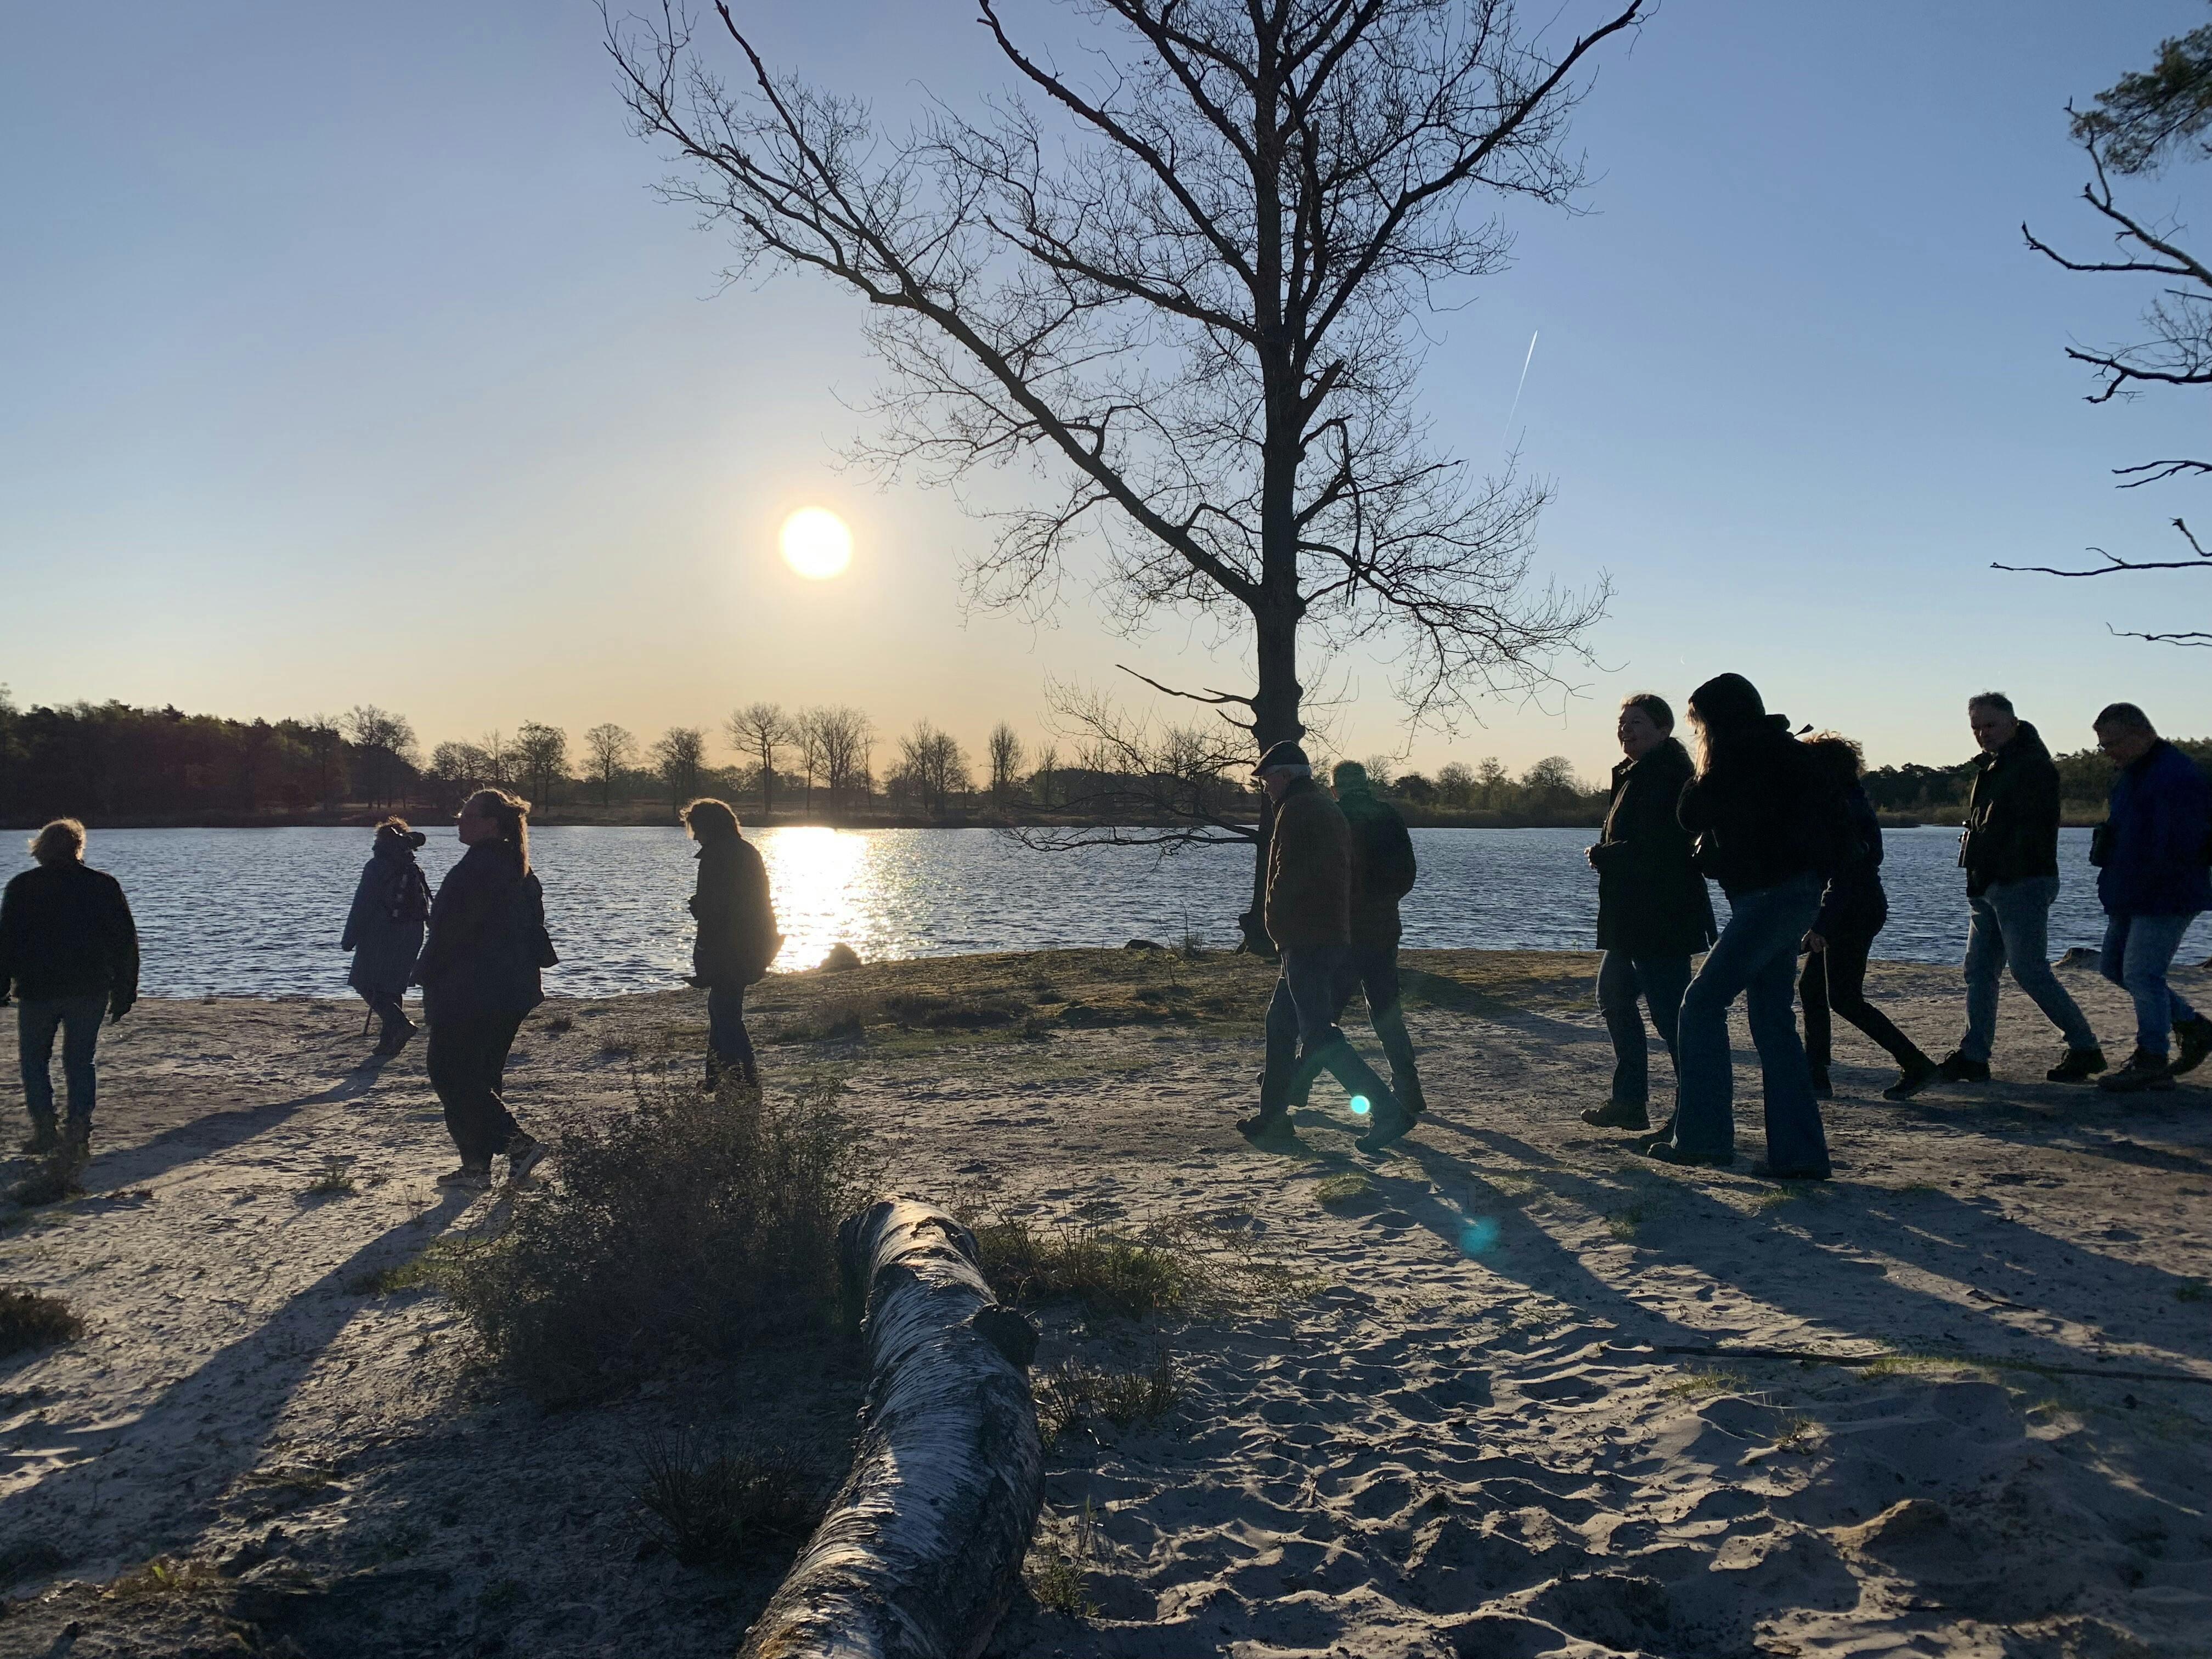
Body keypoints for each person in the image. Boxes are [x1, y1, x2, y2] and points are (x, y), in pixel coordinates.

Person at [1647, 674, 1837, 1179]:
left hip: (1765, 902)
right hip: (1793, 896)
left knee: (1702, 1003)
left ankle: (1705, 1139)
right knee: (1773, 1021)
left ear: (1714, 722)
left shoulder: (1732, 761)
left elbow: (1690, 815)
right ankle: (1800, 1155)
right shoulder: (1793, 755)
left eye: (1698, 724)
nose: (1696, 733)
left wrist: (1699, 772)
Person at [1240, 741, 1409, 1154]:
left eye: (1266, 780)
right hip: (1322, 933)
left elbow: (1288, 877)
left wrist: (1275, 927)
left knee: (1317, 1031)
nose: (1265, 787)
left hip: (1308, 938)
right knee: (1280, 1024)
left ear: (1284, 776)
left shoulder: (1299, 810)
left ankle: (1387, 1111)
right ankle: (1273, 1119)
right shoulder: (1318, 806)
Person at [1937, 693, 2104, 1086]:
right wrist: (1980, 874)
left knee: (2029, 971)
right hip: (1989, 884)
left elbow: (2026, 833)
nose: (1982, 733)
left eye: (1990, 725)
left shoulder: (2032, 767)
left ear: (2013, 723)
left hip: (2020, 883)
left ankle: (2085, 1048)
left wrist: (2000, 871)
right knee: (1978, 971)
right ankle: (1974, 1056)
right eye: (1976, 727)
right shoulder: (1994, 767)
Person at [1583, 693, 1716, 1132]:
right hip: (1630, 916)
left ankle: (1691, 1111)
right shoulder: (1631, 774)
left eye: (1636, 722)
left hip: (1663, 916)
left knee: (1670, 1013)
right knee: (1614, 997)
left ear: (1663, 730)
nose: (1626, 730)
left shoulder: (1669, 774)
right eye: (1622, 722)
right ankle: (1630, 1103)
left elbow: (1665, 847)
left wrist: (1607, 856)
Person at [415, 789, 555, 1190]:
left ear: (492, 823)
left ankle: (516, 1146)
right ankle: (476, 1166)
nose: (459, 820)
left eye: (468, 815)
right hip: (511, 990)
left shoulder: (480, 867)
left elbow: (453, 933)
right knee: (482, 1076)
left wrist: (425, 971)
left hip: (472, 989)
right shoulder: (517, 867)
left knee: (449, 1072)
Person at [1796, 733, 1937, 1101]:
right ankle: (1816, 1072)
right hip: (1857, 904)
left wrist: (1823, 925)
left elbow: (1848, 872)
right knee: (1812, 989)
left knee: (1843, 998)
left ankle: (1916, 1063)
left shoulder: (1842, 805)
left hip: (1855, 908)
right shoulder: (1847, 798)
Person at [2087, 703, 2212, 1093]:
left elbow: (2183, 844)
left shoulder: (2176, 777)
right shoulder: (2132, 774)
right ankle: (2192, 1025)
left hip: (2165, 894)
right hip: (2130, 891)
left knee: (2143, 973)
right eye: (2102, 746)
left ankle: (2151, 1058)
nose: (2108, 752)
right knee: (2113, 967)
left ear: (2142, 733)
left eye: (2113, 743)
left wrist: (2152, 878)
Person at [0, 819, 139, 1157]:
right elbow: (125, 943)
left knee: (35, 1061)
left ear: (41, 848)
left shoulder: (22, 886)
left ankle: (45, 1129)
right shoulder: (103, 885)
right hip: (88, 988)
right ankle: (78, 1128)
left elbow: (6, 942)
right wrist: (125, 991)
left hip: (37, 990)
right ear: (79, 847)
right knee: (80, 1061)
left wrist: (2, 985)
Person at [1327, 760, 1425, 1116]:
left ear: (1335, 787)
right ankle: (1409, 1087)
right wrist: (1385, 902)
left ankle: (1294, 1085)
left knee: (1324, 1016)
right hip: (1384, 928)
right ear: (1366, 783)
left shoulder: (1333, 817)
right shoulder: (1389, 816)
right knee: (1386, 1010)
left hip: (1343, 931)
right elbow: (1408, 874)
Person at [681, 797, 782, 1089]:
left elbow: (716, 912)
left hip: (730, 947)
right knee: (722, 1009)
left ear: (706, 827)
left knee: (725, 1012)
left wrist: (699, 913)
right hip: (753, 942)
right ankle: (720, 1077)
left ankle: (744, 1079)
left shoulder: (716, 856)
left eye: (695, 828)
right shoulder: (746, 851)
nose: (695, 836)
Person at [341, 818, 431, 1055]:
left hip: (381, 932)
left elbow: (363, 903)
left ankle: (400, 1025)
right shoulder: (411, 865)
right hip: (413, 932)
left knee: (363, 982)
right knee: (392, 986)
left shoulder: (377, 866)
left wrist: (349, 938)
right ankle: (389, 1041)